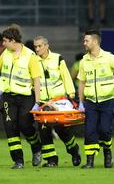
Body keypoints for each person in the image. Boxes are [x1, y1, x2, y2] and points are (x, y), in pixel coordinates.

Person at [0, 25, 42, 169]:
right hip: (8, 97)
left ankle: (36, 147)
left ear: (13, 40)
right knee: (10, 127)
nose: (3, 44)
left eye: (5, 41)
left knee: (25, 125)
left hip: (26, 97)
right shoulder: (5, 53)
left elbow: (36, 80)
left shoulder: (31, 56)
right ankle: (18, 161)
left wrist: (37, 102)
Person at [77, 29, 114, 169]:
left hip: (108, 101)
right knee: (89, 131)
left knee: (105, 130)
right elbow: (82, 83)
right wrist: (80, 103)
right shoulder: (84, 61)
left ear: (94, 42)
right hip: (91, 102)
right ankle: (89, 161)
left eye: (86, 40)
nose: (84, 43)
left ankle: (107, 152)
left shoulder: (109, 57)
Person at [33, 36, 81, 167]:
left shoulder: (58, 58)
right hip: (43, 101)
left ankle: (74, 151)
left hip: (59, 100)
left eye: (39, 46)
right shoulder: (33, 60)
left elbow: (66, 76)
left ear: (46, 46)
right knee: (43, 130)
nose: (37, 49)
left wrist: (71, 94)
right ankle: (51, 160)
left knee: (62, 131)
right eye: (35, 46)